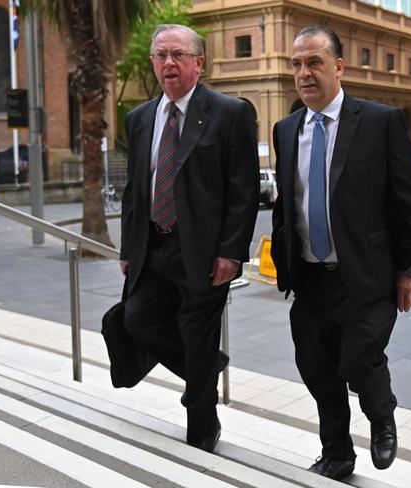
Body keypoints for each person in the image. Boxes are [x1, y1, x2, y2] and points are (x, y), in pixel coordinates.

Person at [271, 25, 411, 481]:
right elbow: (288, 202)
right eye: (297, 64)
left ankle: (381, 414)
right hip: (310, 276)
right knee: (317, 370)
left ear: (338, 67)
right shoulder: (285, 130)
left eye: (314, 62)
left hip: (367, 274)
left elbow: (406, 199)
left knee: (358, 359)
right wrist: (283, 262)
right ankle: (337, 453)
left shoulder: (380, 122)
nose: (304, 73)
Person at [120, 24, 259, 453]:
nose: (168, 63)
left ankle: (202, 429)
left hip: (203, 251)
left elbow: (243, 190)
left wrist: (231, 253)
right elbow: (135, 189)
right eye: (160, 55)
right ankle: (205, 369)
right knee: (135, 319)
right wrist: (128, 248)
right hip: (154, 246)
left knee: (198, 335)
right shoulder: (140, 118)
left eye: (178, 54)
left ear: (199, 62)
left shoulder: (230, 112)